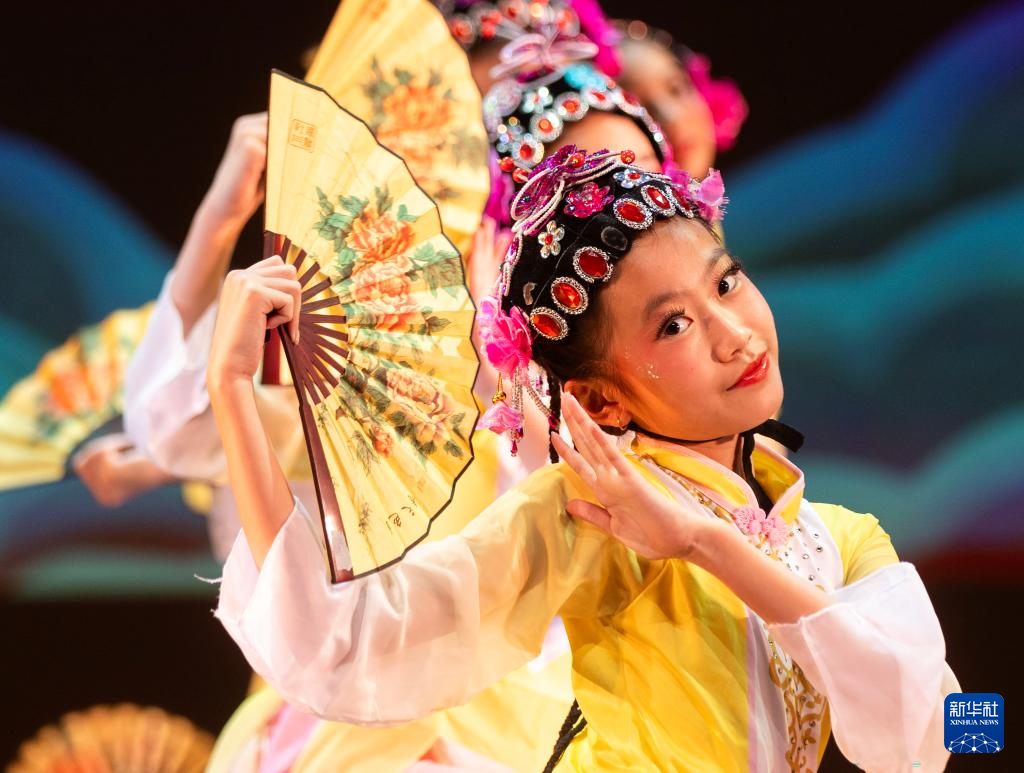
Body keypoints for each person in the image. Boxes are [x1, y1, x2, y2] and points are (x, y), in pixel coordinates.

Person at [208, 146, 959, 771]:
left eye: (726, 282)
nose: (735, 334)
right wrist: (232, 387)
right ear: (601, 401)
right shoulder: (596, 510)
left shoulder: (838, 536)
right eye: (673, 325)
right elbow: (346, 637)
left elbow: (942, 725)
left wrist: (706, 543)